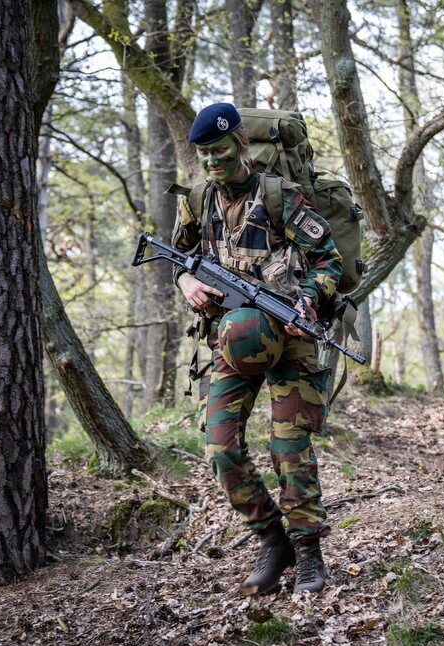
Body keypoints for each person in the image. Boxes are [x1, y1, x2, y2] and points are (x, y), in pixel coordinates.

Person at [171, 102, 342, 596]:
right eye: (204, 154)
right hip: (230, 337)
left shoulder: (279, 195)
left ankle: (309, 552)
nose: (212, 162)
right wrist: (185, 280)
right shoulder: (197, 199)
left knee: (290, 450)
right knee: (221, 449)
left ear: (240, 144)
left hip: (291, 338)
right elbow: (178, 255)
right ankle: (273, 539)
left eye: (220, 151)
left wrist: (309, 300)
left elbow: (326, 261)